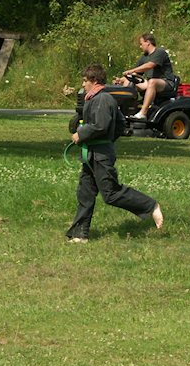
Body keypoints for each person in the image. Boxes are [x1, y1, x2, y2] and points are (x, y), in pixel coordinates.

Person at [66, 64, 163, 243]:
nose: (83, 84)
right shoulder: (96, 98)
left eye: (85, 81)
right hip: (92, 154)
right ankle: (80, 234)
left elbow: (100, 126)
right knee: (85, 194)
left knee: (111, 194)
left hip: (101, 155)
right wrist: (105, 139)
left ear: (95, 81)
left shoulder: (103, 99)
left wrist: (82, 133)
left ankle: (150, 205)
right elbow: (120, 124)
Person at [114, 33, 176, 120]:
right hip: (150, 83)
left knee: (152, 82)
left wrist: (132, 70)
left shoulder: (159, 52)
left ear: (148, 42)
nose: (140, 46)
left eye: (141, 44)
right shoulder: (144, 57)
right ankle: (126, 110)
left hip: (166, 83)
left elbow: (150, 65)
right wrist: (121, 80)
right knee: (129, 82)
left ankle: (143, 112)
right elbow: (135, 73)